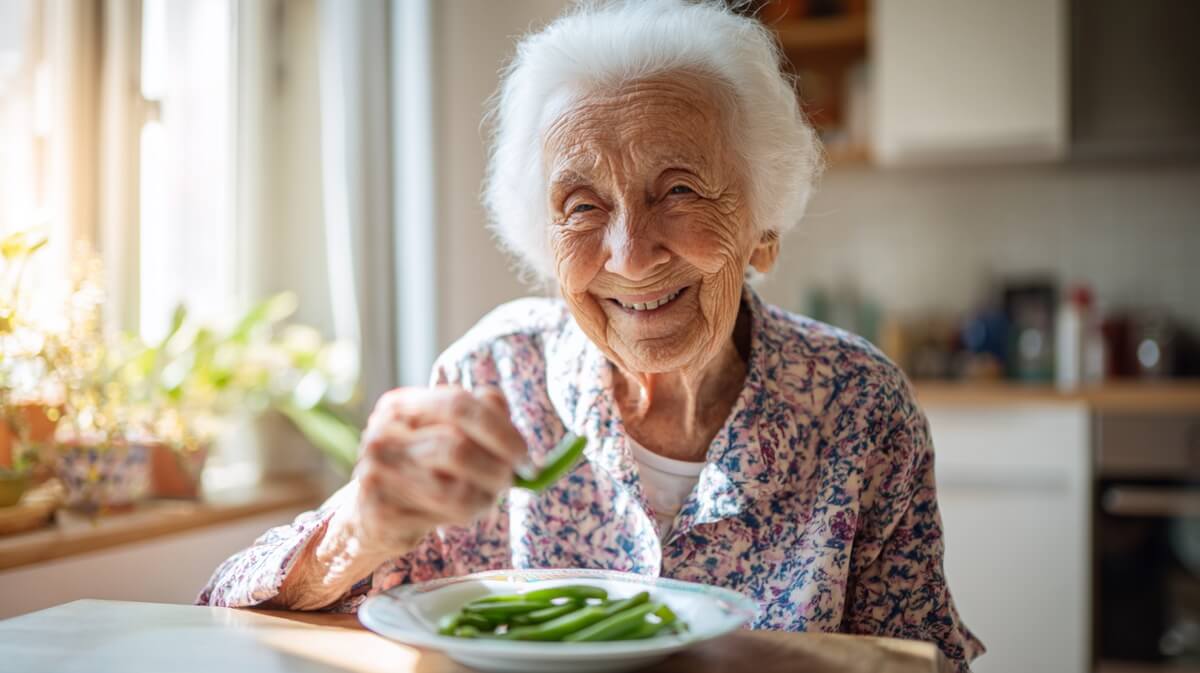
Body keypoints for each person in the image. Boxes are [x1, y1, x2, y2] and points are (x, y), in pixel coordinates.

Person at [199, 1, 984, 669]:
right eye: (581, 205)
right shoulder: (490, 377)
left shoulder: (860, 406)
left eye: (678, 189)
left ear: (764, 229)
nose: (630, 253)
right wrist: (361, 528)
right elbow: (227, 611)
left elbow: (917, 659)